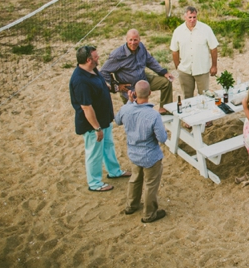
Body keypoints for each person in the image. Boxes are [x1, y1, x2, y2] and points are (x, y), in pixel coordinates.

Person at [69, 45, 130, 192]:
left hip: (104, 118)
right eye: (96, 57)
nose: (98, 58)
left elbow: (104, 85)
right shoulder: (80, 81)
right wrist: (97, 128)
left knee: (108, 146)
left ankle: (114, 171)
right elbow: (86, 108)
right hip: (92, 125)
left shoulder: (92, 70)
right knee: (94, 153)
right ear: (89, 60)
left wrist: (115, 88)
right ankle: (95, 183)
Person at [114, 80, 168, 223]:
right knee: (150, 184)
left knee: (135, 179)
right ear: (150, 93)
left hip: (133, 153)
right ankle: (149, 214)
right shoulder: (153, 115)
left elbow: (117, 121)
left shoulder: (127, 109)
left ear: (134, 93)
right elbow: (162, 138)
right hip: (150, 156)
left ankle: (131, 205)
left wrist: (129, 103)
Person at [100, 29, 175, 115]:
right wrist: (116, 86)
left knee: (166, 82)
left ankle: (164, 109)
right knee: (137, 114)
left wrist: (163, 72)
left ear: (139, 39)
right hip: (130, 88)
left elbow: (149, 60)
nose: (133, 43)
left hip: (143, 79)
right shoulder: (117, 55)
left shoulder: (141, 47)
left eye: (135, 40)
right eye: (130, 40)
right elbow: (103, 71)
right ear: (126, 39)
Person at [170, 6, 219, 98]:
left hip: (202, 70)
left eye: (194, 17)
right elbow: (174, 51)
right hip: (185, 71)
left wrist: (214, 66)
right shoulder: (178, 31)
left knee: (205, 96)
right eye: (190, 17)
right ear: (185, 17)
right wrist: (178, 67)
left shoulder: (206, 29)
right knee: (187, 97)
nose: (192, 20)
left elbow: (213, 48)